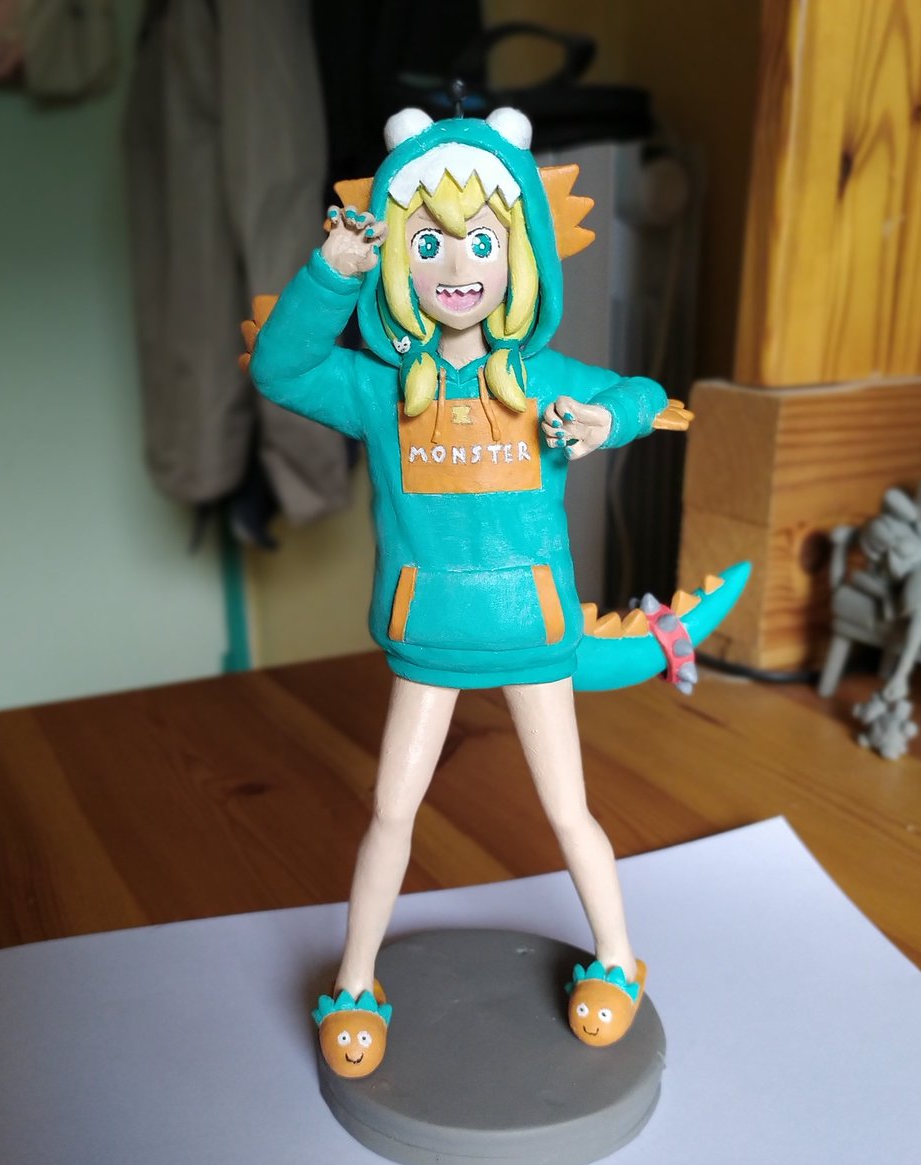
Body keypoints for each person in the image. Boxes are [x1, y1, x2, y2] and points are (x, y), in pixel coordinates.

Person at [251, 106, 694, 1078]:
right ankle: (355, 984)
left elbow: (644, 394)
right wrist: (331, 274)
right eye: (429, 242)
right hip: (429, 638)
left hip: (534, 636)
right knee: (391, 812)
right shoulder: (376, 388)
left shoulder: (546, 378)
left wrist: (603, 423)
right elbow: (281, 366)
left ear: (521, 251)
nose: (457, 265)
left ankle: (618, 960)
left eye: (482, 240)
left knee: (569, 812)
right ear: (397, 258)